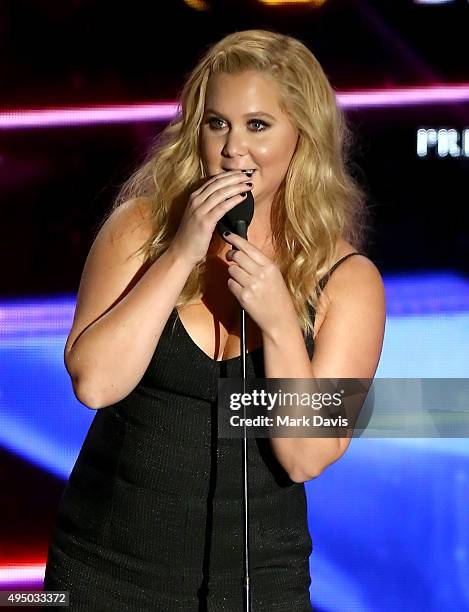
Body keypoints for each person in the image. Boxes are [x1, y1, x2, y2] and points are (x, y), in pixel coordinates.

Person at [42, 29, 386, 611]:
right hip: (105, 574)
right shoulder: (141, 229)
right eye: (216, 123)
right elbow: (95, 383)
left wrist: (280, 324)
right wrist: (180, 253)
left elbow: (305, 457)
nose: (232, 149)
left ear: (302, 135)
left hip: (258, 585)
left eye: (257, 125)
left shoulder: (348, 282)